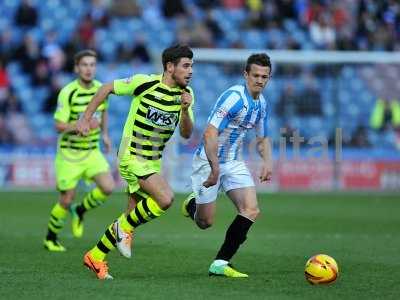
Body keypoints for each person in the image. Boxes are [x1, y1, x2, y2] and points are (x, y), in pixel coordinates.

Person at [76, 44, 194, 280]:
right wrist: (86, 117)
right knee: (165, 198)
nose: (191, 71)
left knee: (129, 217)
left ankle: (95, 256)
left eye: (192, 66)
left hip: (153, 160)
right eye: (186, 66)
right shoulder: (145, 82)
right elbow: (107, 88)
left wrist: (185, 109)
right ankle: (123, 230)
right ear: (170, 67)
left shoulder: (186, 94)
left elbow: (187, 133)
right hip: (132, 154)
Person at [182, 53, 273, 278]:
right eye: (255, 75)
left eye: (264, 76)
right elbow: (210, 133)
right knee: (205, 222)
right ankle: (192, 205)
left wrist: (267, 162)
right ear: (245, 74)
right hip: (208, 160)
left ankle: (220, 263)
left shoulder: (261, 104)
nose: (260, 80)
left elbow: (262, 138)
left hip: (233, 161)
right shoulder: (234, 98)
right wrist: (214, 168)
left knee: (251, 209)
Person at [43, 50, 115, 252]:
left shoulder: (102, 88)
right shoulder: (68, 92)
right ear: (76, 68)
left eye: (92, 64)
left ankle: (80, 210)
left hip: (92, 151)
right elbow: (58, 125)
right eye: (84, 65)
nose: (89, 69)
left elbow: (104, 111)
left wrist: (105, 135)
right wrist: (79, 125)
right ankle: (50, 238)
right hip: (69, 154)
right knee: (66, 199)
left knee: (108, 187)